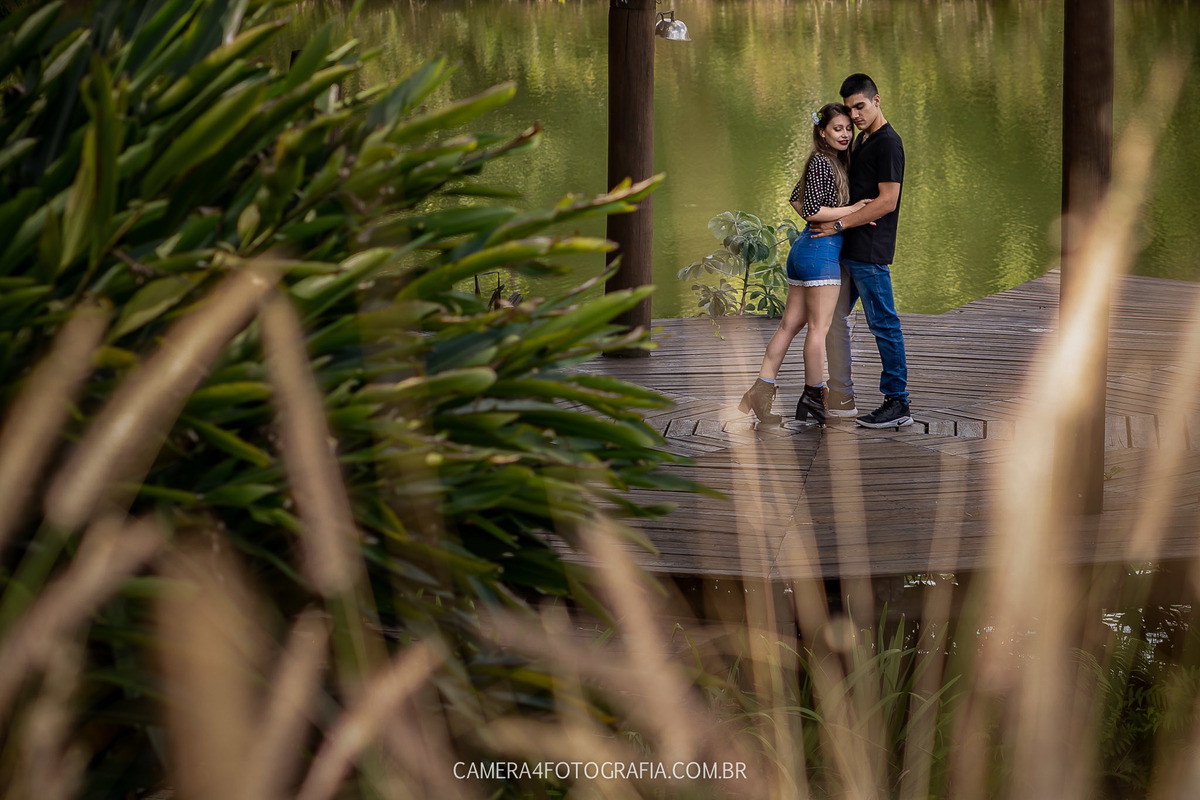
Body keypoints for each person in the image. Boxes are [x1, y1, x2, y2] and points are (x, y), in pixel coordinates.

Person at [739, 102, 872, 426]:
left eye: (847, 128)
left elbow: (797, 199)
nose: (844, 134)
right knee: (819, 329)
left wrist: (833, 215)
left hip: (805, 250)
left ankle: (761, 389)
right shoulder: (822, 162)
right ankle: (813, 397)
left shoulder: (828, 161)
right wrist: (853, 210)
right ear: (822, 132)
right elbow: (811, 210)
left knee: (790, 326)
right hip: (820, 254)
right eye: (837, 128)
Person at [811, 73, 912, 428]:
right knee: (834, 319)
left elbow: (887, 202)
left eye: (861, 106)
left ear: (877, 101)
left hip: (870, 251)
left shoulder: (887, 143)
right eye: (851, 108)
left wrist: (839, 224)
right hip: (848, 249)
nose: (855, 115)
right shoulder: (863, 139)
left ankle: (898, 403)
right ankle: (842, 394)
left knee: (883, 322)